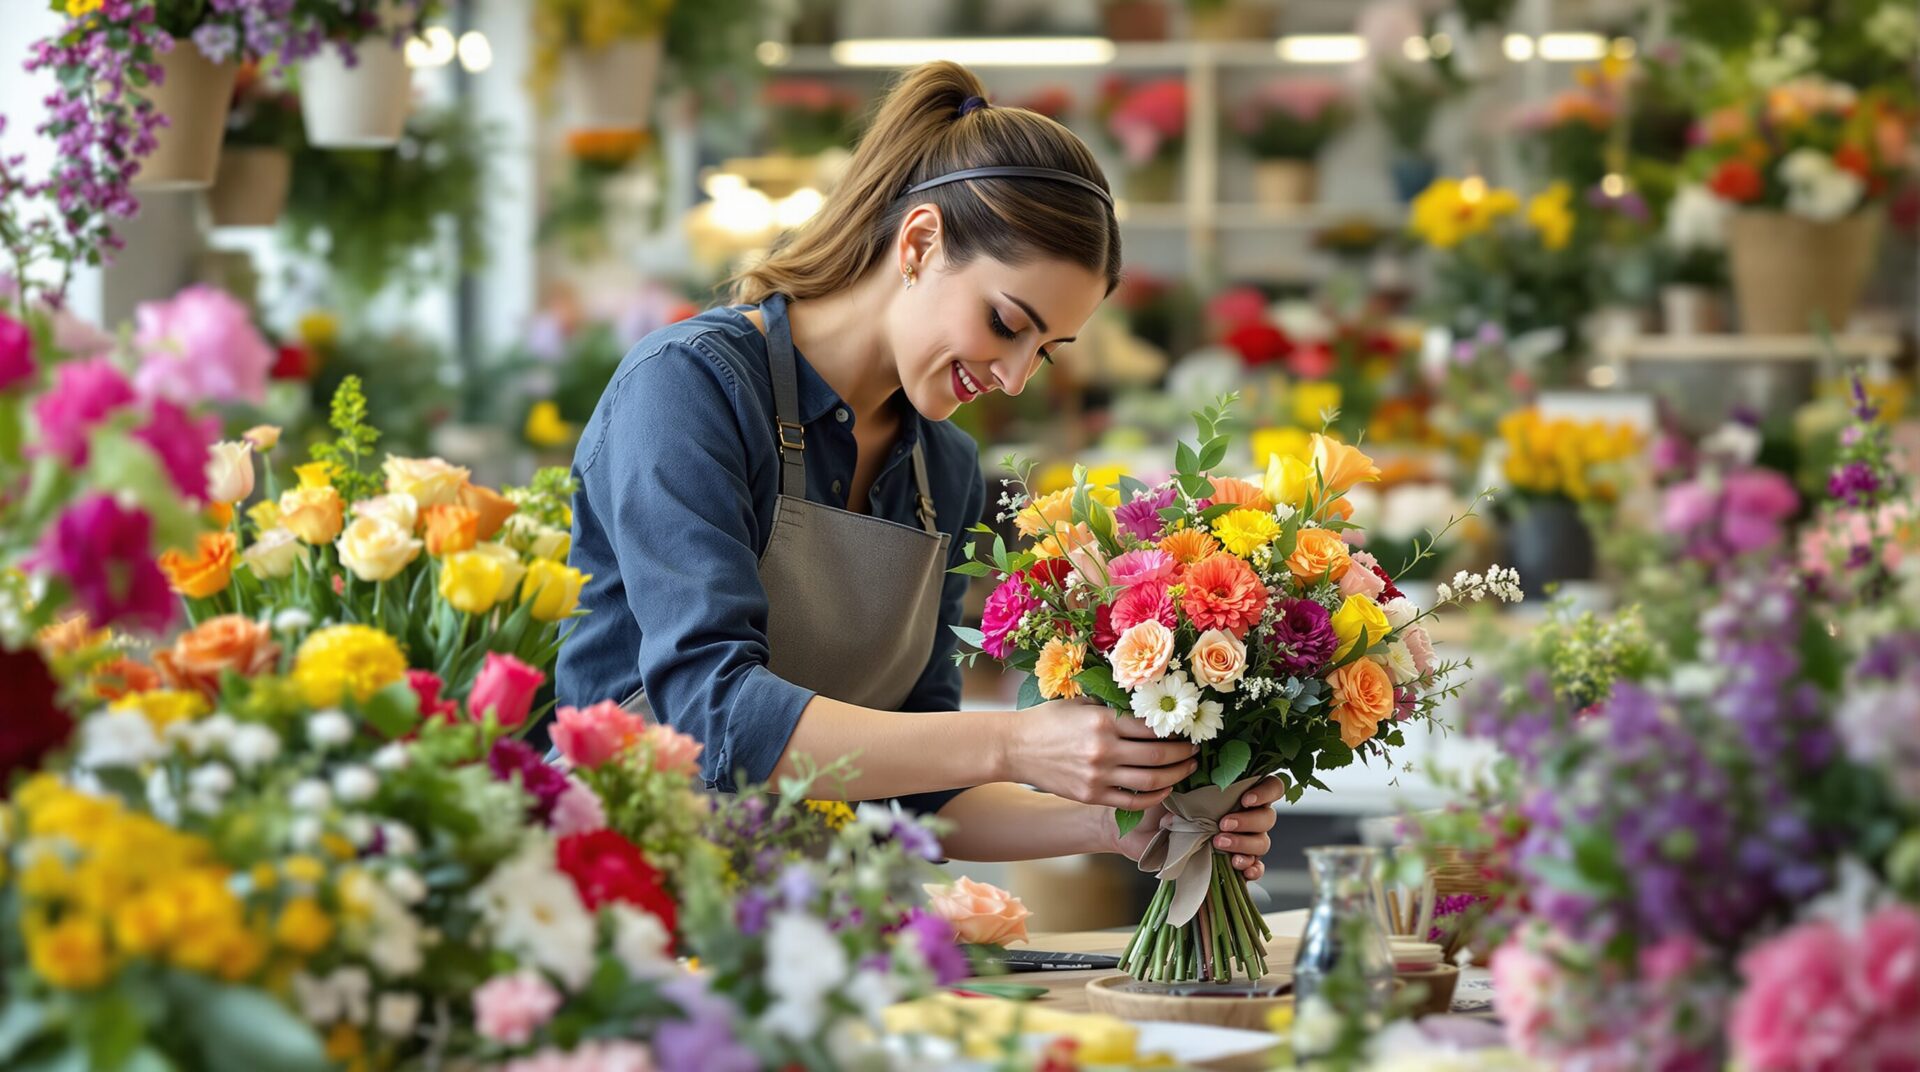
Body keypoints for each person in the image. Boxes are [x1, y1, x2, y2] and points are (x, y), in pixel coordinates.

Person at [558, 62, 1280, 880]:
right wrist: (1014, 743)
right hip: (623, 905)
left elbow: (913, 795)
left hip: (796, 923)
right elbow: (714, 715)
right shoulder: (691, 388)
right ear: (920, 241)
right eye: (1008, 323)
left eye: (1044, 351)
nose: (1013, 377)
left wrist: (1114, 821)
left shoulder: (943, 468)